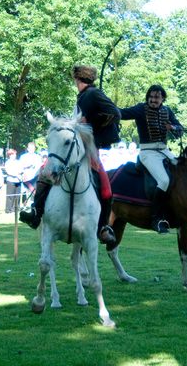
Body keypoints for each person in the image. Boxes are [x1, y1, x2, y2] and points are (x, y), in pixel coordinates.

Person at [20, 64, 120, 244]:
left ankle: (103, 227)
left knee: (105, 188)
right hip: (74, 148)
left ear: (77, 78)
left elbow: (115, 113)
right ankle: (36, 212)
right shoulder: (83, 96)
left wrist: (89, 120)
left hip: (89, 150)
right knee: (46, 172)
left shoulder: (93, 93)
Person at [118, 84, 182, 233]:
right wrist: (107, 107)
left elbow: (180, 130)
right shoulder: (141, 109)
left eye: (157, 97)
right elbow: (122, 113)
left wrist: (173, 128)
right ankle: (156, 218)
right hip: (147, 152)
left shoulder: (168, 111)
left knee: (182, 172)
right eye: (151, 97)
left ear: (162, 98)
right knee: (164, 181)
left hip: (164, 151)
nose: (153, 100)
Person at [3, 148, 22, 214]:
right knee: (10, 196)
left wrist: (18, 174)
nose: (14, 155)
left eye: (15, 154)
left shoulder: (18, 162)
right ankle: (8, 209)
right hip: (10, 181)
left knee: (17, 196)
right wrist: (16, 174)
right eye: (13, 154)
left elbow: (21, 170)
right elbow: (9, 172)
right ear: (10, 155)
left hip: (18, 181)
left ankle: (16, 209)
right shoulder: (7, 163)